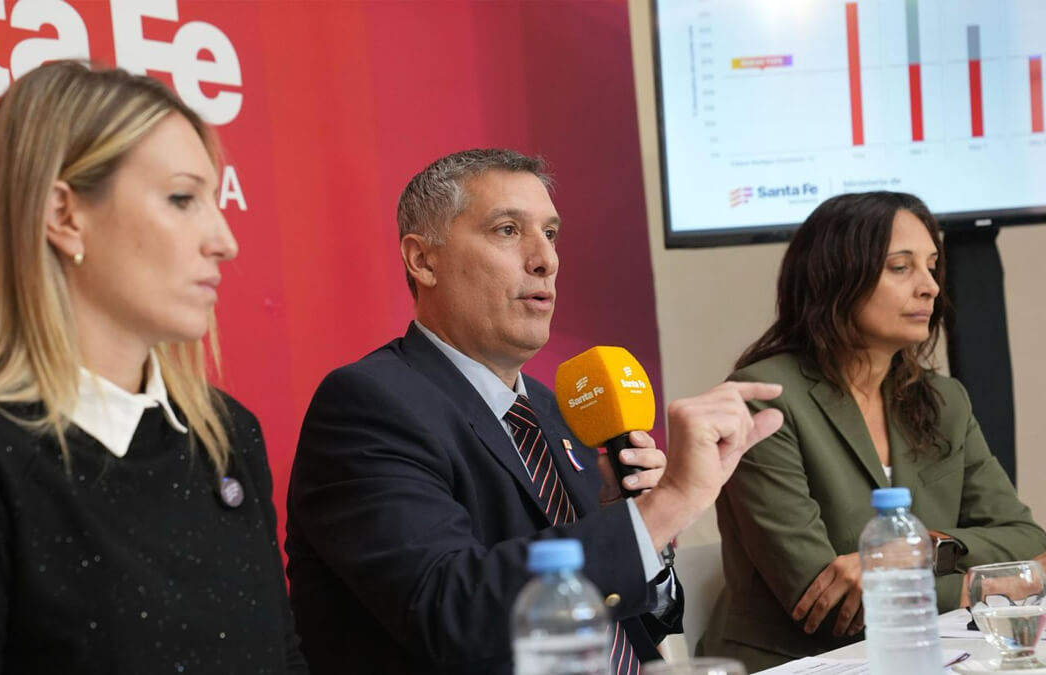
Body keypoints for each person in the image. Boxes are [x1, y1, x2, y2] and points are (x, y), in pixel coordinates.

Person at [0, 61, 307, 674]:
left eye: (213, 199)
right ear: (64, 216)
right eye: (182, 199)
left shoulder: (226, 436)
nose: (224, 240)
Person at [285, 148, 783, 674]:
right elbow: (449, 609)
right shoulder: (369, 404)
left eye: (550, 233)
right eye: (507, 230)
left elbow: (637, 621)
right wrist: (670, 505)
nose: (546, 259)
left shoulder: (558, 408)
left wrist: (641, 530)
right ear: (422, 260)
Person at [698, 191, 1046, 671]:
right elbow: (819, 601)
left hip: (927, 652)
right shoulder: (763, 398)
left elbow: (1026, 538)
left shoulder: (945, 401)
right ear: (836, 278)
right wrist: (993, 584)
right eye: (901, 267)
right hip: (797, 663)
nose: (929, 287)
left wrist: (922, 549)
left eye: (931, 266)